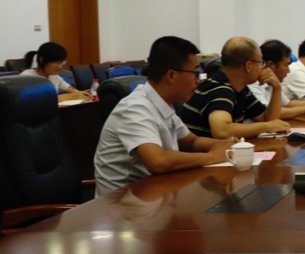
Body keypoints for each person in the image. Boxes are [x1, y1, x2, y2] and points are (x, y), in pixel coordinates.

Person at [93, 36, 234, 196]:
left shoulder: (163, 103)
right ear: (171, 75)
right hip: (123, 204)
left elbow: (192, 142)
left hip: (154, 194)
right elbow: (158, 161)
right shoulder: (135, 108)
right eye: (194, 73)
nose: (198, 80)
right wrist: (212, 157)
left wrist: (226, 146)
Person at [177, 36, 290, 139]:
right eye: (260, 62)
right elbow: (222, 131)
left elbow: (268, 119)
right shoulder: (220, 88)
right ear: (249, 65)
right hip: (199, 153)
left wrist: (277, 88)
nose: (262, 67)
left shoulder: (240, 89)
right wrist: (266, 126)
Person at [248, 39, 305, 119]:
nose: (288, 70)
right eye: (286, 65)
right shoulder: (253, 84)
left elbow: (288, 104)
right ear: (271, 65)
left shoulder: (271, 82)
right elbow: (268, 114)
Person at [20, 42, 91, 102]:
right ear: (42, 60)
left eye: (61, 63)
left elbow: (72, 90)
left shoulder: (54, 76)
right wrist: (69, 96)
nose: (60, 67)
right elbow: (34, 101)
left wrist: (84, 94)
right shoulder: (26, 77)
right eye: (57, 63)